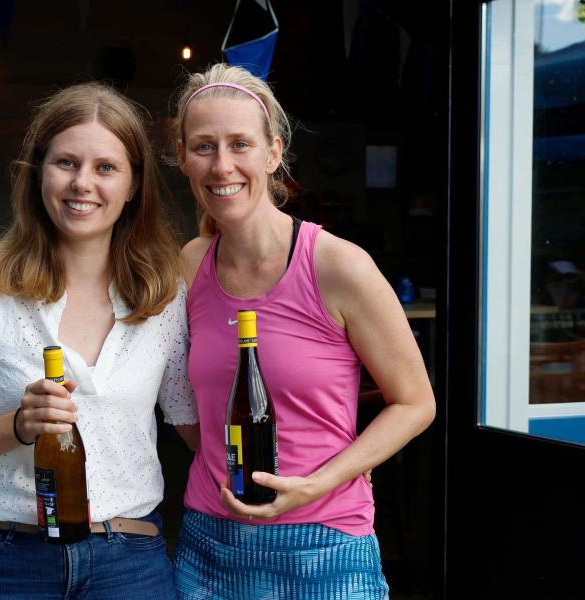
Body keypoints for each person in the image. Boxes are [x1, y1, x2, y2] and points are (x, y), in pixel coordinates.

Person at [0, 82, 200, 600]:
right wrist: (17, 426)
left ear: (133, 184)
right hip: (2, 563)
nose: (82, 183)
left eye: (105, 167)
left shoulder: (164, 298)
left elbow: (196, 429)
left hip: (129, 564)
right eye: (66, 162)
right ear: (38, 171)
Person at [171, 63, 436, 599]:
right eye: (204, 147)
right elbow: (186, 403)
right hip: (209, 545)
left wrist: (316, 483)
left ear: (272, 154)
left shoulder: (339, 265)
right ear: (182, 158)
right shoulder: (190, 264)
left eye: (240, 144)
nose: (222, 165)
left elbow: (415, 404)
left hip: (326, 545)